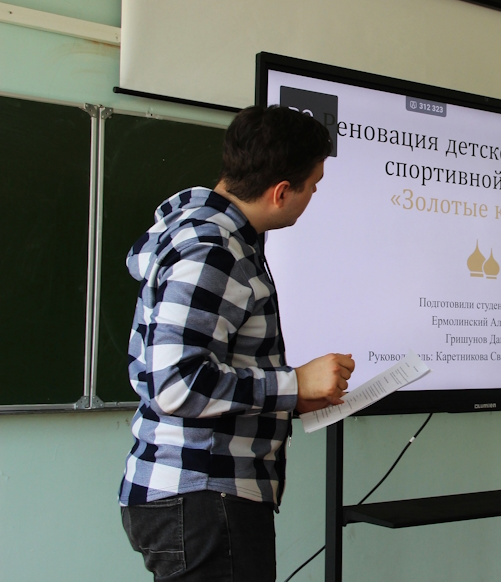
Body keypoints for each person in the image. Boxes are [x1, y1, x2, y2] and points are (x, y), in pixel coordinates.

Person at [119, 106, 356, 582]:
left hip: (202, 496)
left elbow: (210, 366)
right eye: (313, 185)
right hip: (203, 495)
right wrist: (293, 384)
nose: (314, 195)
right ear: (281, 192)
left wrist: (293, 398)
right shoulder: (214, 250)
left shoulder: (219, 238)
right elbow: (177, 384)